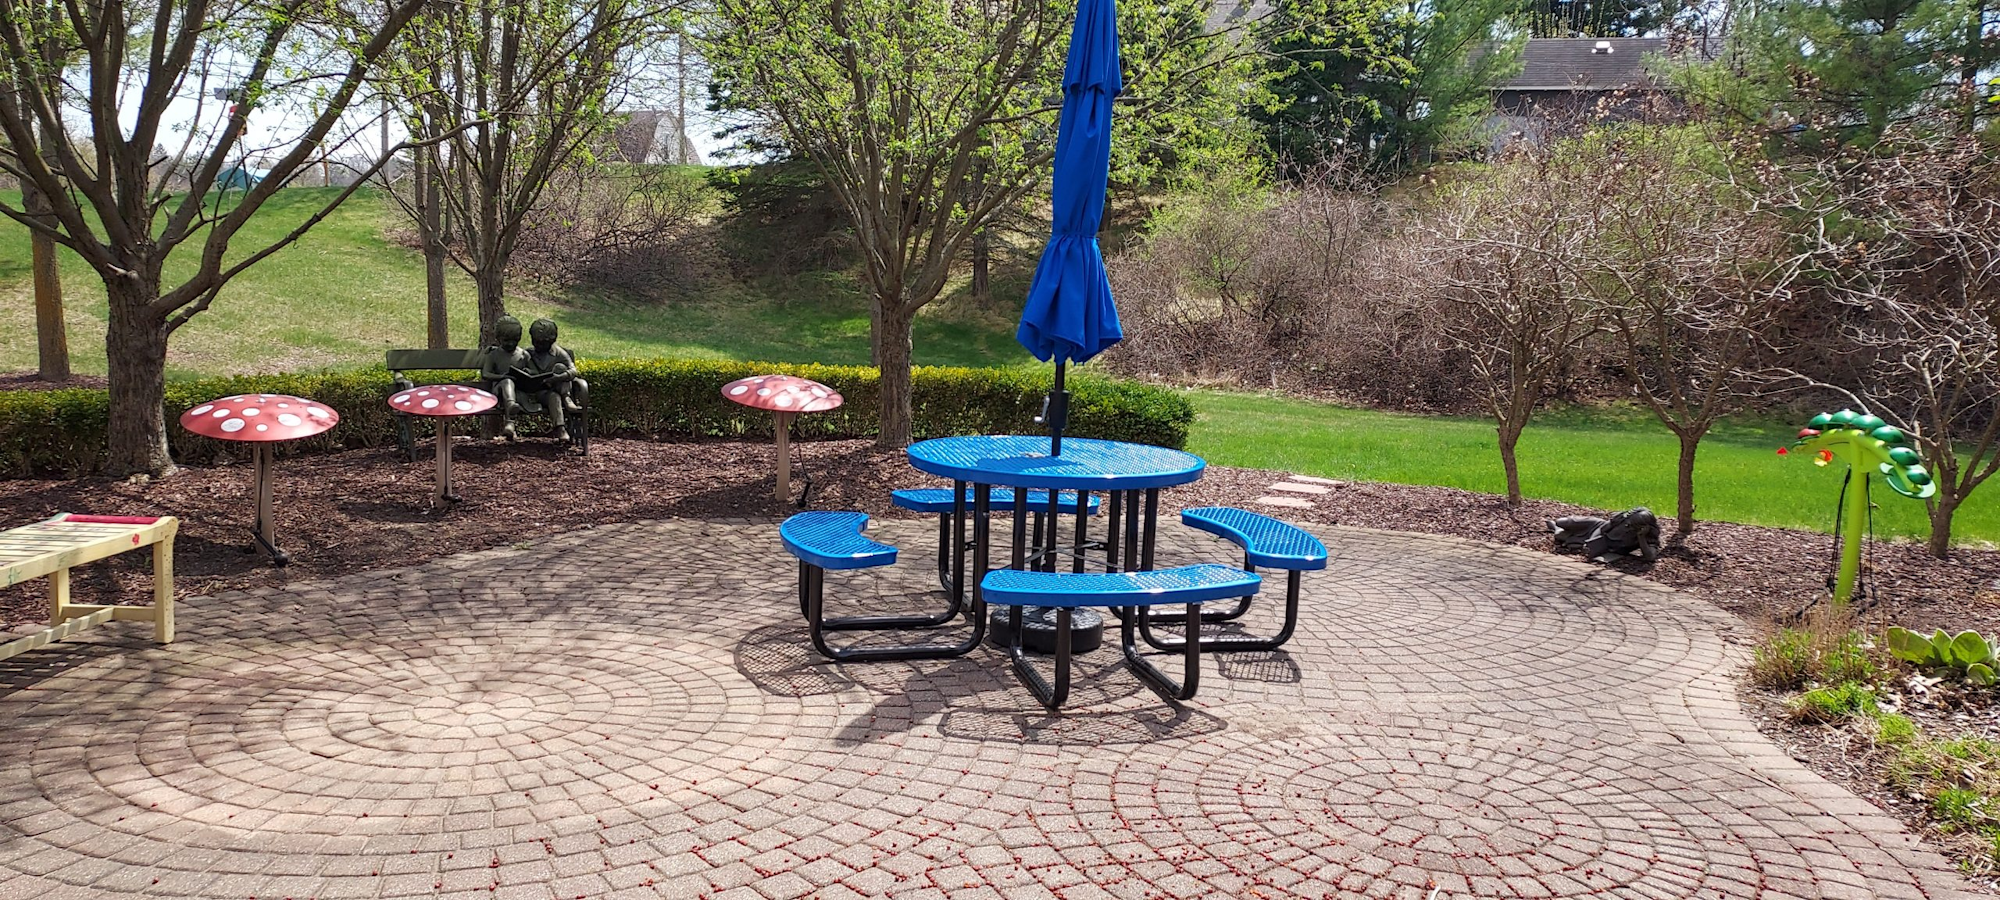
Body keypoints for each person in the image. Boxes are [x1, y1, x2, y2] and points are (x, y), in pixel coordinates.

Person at [524, 318, 588, 442]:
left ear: (551, 341)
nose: (537, 345)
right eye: (535, 341)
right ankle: (561, 429)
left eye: (542, 343)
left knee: (560, 368)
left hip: (559, 387)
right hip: (541, 392)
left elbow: (573, 371)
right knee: (553, 396)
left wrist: (558, 378)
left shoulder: (559, 353)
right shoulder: (528, 353)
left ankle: (566, 398)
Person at [478, 315, 533, 441]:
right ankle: (510, 420)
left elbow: (533, 371)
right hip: (499, 393)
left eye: (514, 340)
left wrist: (527, 372)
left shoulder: (523, 354)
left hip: (519, 392)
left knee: (511, 386)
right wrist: (502, 377)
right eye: (506, 340)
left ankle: (510, 424)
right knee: (507, 382)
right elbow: (486, 374)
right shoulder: (494, 354)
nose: (511, 344)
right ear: (498, 339)